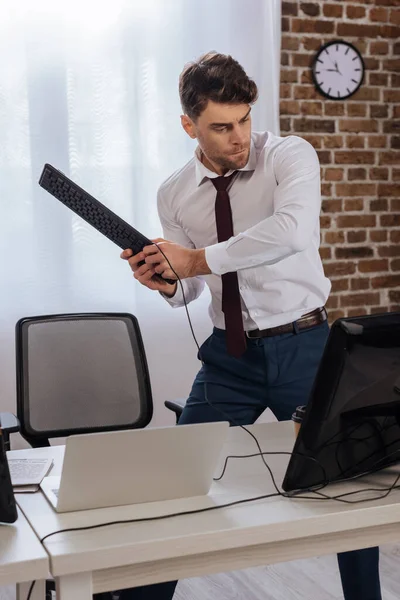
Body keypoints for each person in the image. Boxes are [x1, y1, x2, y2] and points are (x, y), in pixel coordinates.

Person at [118, 52, 382, 600]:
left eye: (244, 120)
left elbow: (290, 232)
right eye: (221, 126)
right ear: (189, 125)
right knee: (176, 486)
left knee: (346, 486)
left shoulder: (290, 155)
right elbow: (190, 288)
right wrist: (167, 281)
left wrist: (193, 261)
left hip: (307, 348)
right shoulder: (173, 194)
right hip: (229, 358)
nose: (238, 137)